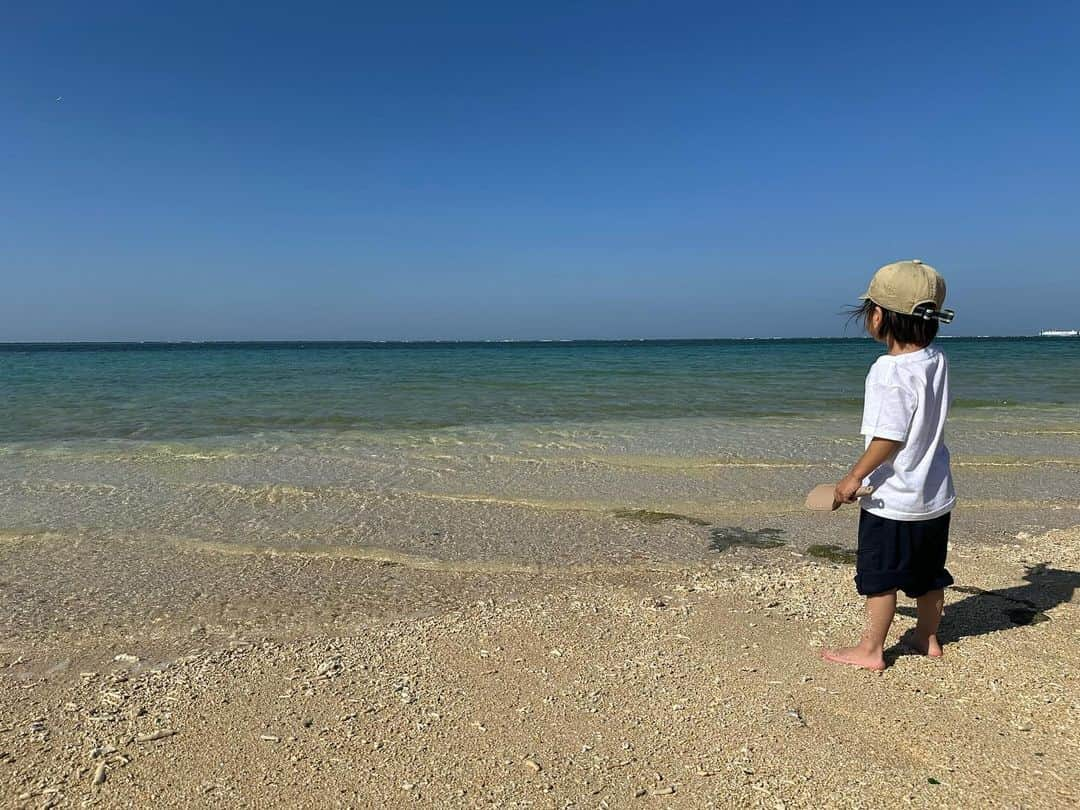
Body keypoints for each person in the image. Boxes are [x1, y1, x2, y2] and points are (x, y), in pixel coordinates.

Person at [822, 259, 957, 672]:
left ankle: (871, 650)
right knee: (928, 575)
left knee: (880, 578)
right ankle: (927, 637)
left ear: (878, 316)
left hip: (892, 500)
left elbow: (889, 438)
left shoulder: (888, 371)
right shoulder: (936, 360)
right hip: (934, 496)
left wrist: (852, 478)